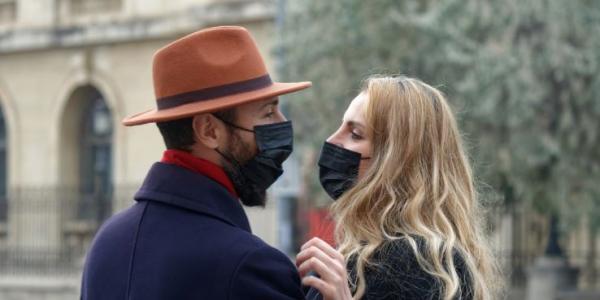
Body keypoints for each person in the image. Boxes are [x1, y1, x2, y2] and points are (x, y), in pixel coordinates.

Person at [80, 26, 312, 299]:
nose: (282, 124)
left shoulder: (107, 244)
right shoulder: (251, 267)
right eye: (268, 112)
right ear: (209, 131)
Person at [298, 75, 501, 300]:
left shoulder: (416, 261)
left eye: (355, 134)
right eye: (341, 127)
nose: (332, 140)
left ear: (398, 161)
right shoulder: (363, 253)